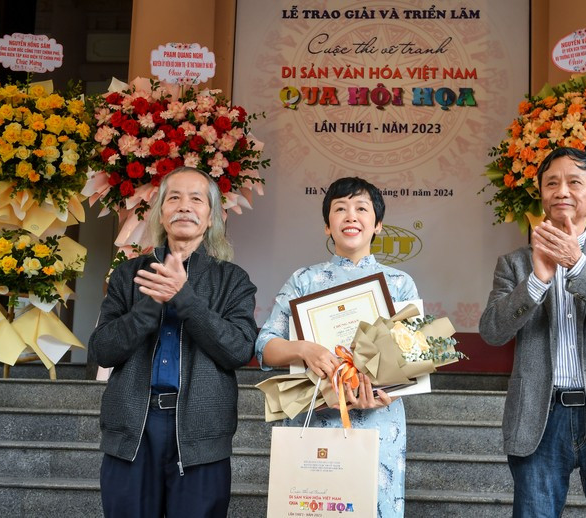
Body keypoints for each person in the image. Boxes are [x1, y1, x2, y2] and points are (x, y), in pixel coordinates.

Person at [479, 147, 586, 517]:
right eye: (551, 182)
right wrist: (537, 282)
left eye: (574, 182)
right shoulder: (515, 263)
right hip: (539, 417)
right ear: (541, 192)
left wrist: (578, 264)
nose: (562, 191)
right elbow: (492, 331)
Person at [88, 167, 258, 517]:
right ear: (161, 212)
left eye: (197, 199)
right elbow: (102, 349)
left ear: (212, 217)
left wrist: (185, 299)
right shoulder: (128, 274)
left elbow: (239, 350)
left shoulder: (233, 280)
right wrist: (149, 306)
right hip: (132, 427)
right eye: (174, 198)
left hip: (201, 433)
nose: (185, 206)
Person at [256, 177, 418, 517]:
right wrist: (303, 349)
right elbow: (265, 347)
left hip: (379, 419)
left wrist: (392, 390)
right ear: (327, 227)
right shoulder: (304, 280)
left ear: (378, 225)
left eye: (362, 209)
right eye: (340, 209)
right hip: (315, 417)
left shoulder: (399, 284)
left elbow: (413, 362)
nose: (351, 216)